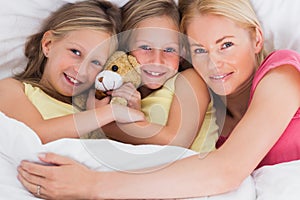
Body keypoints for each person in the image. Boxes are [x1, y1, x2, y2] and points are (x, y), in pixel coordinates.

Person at [17, 0, 300, 199]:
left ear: (257, 39)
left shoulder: (282, 72)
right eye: (199, 51)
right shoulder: (212, 115)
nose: (214, 62)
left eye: (226, 45)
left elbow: (225, 171)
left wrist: (93, 185)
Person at [0, 0, 144, 144]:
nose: (81, 70)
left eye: (95, 62)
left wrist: (131, 114)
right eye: (75, 52)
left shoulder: (93, 107)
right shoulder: (12, 88)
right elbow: (36, 134)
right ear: (48, 44)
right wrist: (111, 113)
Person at [99, 0, 219, 153]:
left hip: (196, 172)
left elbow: (177, 141)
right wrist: (133, 112)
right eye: (145, 47)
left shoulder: (190, 80)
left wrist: (104, 124)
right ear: (125, 48)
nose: (157, 61)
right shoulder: (118, 86)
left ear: (182, 52)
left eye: (169, 49)